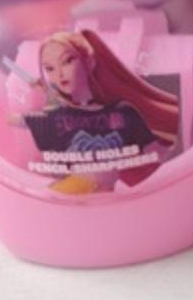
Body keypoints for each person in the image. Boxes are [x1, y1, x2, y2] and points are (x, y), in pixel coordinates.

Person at [23, 28, 180, 194]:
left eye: (68, 61)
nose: (59, 74)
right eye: (49, 69)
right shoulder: (58, 114)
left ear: (89, 62)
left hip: (115, 194)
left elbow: (157, 156)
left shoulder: (122, 113)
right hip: (72, 194)